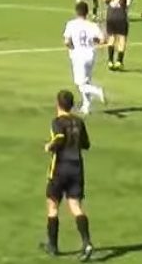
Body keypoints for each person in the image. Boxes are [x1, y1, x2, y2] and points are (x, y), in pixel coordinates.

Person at [41, 89, 95, 261]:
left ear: (58, 104)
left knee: (53, 205)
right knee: (75, 206)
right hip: (77, 168)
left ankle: (53, 246)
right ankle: (87, 243)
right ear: (71, 105)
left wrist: (49, 146)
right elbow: (86, 144)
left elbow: (59, 138)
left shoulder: (57, 122)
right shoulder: (79, 122)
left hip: (60, 168)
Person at [63, 2, 107, 115]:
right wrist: (95, 41)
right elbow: (102, 40)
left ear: (76, 12)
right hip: (90, 55)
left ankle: (97, 91)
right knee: (86, 81)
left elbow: (67, 41)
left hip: (78, 56)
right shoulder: (92, 25)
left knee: (80, 84)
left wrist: (72, 48)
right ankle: (86, 106)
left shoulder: (71, 24)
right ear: (87, 12)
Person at [102, 0, 134, 72]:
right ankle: (119, 61)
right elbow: (128, 3)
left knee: (111, 37)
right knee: (122, 38)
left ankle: (110, 61)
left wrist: (111, 4)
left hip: (110, 14)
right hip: (120, 14)